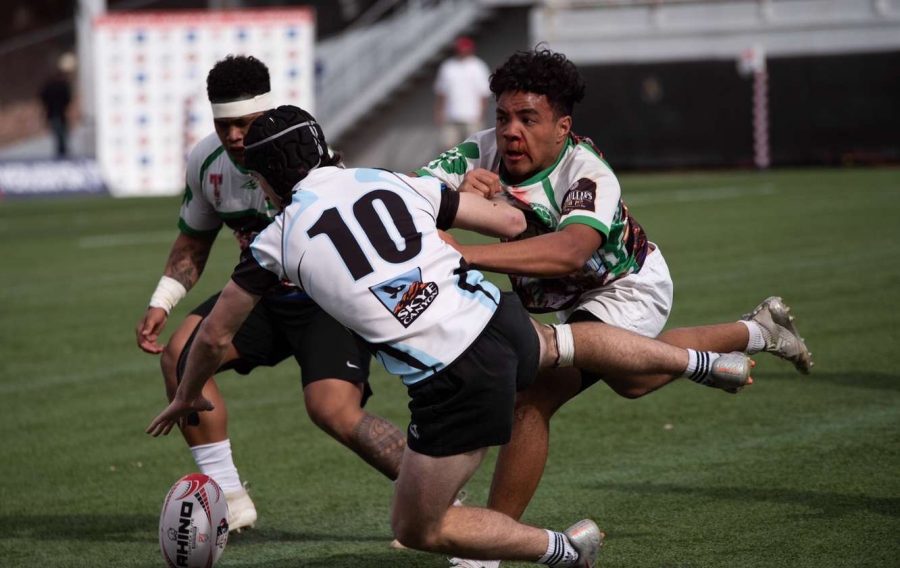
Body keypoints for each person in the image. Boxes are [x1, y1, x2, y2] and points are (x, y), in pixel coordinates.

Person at [146, 105, 754, 566]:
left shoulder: (276, 241)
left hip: (453, 382)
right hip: (498, 321)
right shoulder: (386, 180)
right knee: (563, 343)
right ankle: (703, 361)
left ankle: (565, 551)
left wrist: (186, 392)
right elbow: (511, 221)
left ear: (264, 180)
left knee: (421, 529)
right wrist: (476, 197)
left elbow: (216, 333)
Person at [415, 48, 812, 567]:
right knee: (633, 380)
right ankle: (757, 330)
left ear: (562, 126)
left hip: (628, 285)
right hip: (567, 303)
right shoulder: (479, 154)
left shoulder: (586, 170)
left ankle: (486, 551)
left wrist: (465, 251)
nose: (511, 131)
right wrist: (456, 200)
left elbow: (570, 251)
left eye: (528, 119)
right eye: (504, 116)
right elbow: (405, 207)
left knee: (533, 398)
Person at [134, 56, 406, 532]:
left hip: (327, 298)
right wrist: (163, 298)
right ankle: (229, 499)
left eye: (245, 123)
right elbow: (194, 242)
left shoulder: (301, 155)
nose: (235, 135)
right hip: (259, 297)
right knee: (180, 356)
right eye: (224, 124)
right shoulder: (207, 162)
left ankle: (441, 502)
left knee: (333, 411)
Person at [434, 36, 492, 150]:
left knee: (472, 150)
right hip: (450, 116)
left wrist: (481, 114)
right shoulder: (448, 66)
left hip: (472, 116)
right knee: (448, 148)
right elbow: (441, 92)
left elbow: (484, 94)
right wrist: (439, 111)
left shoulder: (478, 66)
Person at [39, 53, 74, 158]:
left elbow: (42, 97)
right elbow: (67, 98)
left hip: (55, 112)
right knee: (61, 134)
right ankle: (62, 153)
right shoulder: (60, 85)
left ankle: (61, 153)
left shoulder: (50, 85)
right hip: (58, 113)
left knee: (59, 134)